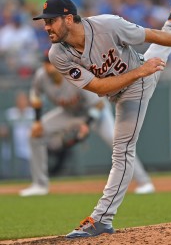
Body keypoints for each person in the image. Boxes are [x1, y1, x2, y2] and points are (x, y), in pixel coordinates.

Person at [32, 0, 171, 238]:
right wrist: (142, 70)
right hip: (130, 78)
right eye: (44, 22)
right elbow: (100, 88)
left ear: (69, 19)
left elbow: (149, 35)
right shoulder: (57, 55)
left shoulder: (108, 25)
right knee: (154, 58)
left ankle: (102, 218)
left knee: (122, 151)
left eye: (51, 21)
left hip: (137, 85)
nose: (46, 26)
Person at [19, 52, 155, 196]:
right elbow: (35, 96)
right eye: (46, 63)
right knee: (35, 135)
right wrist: (37, 122)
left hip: (95, 112)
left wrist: (86, 124)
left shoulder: (73, 74)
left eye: (51, 62)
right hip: (68, 113)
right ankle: (40, 185)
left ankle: (144, 182)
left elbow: (98, 105)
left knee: (118, 142)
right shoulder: (41, 76)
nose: (48, 66)